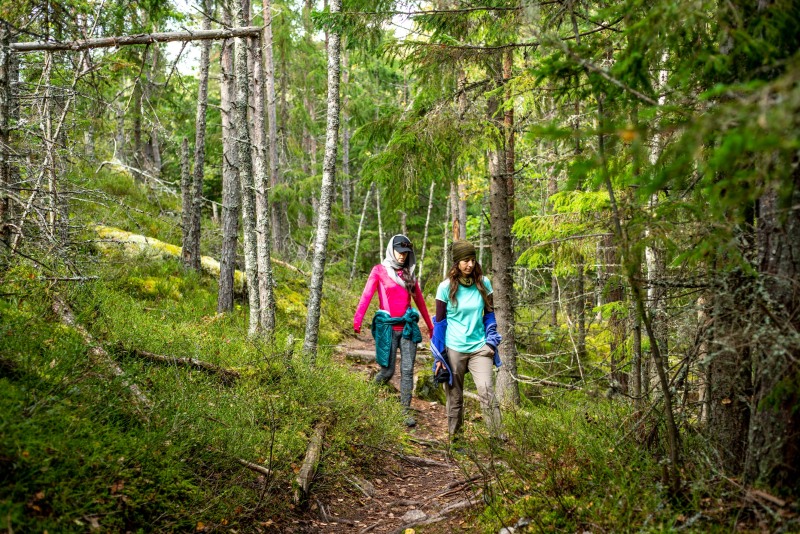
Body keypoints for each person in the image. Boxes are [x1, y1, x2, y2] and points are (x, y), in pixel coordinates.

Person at [354, 234, 434, 427]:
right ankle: (365, 402)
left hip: (407, 328)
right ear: (392, 249)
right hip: (388, 329)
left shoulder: (409, 274)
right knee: (388, 371)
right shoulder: (379, 271)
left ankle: (404, 413)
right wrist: (358, 320)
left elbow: (420, 302)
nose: (402, 256)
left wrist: (431, 327)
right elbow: (366, 296)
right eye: (399, 252)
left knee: (407, 371)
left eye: (406, 253)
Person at [431, 239, 504, 443]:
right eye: (465, 260)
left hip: (480, 347)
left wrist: (490, 342)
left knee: (487, 391)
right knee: (455, 398)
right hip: (454, 349)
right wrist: (439, 356)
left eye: (472, 260)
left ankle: (497, 440)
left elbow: (489, 314)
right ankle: (456, 441)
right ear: (456, 262)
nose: (469, 264)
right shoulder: (445, 288)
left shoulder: (484, 283)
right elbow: (440, 323)